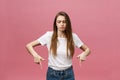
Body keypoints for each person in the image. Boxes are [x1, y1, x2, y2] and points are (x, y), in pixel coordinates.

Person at [26, 11, 91, 80]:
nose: (62, 24)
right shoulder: (49, 36)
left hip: (68, 73)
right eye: (59, 22)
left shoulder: (73, 37)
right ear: (56, 24)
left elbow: (88, 49)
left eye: (64, 22)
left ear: (67, 23)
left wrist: (84, 54)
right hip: (52, 74)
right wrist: (35, 55)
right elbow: (29, 45)